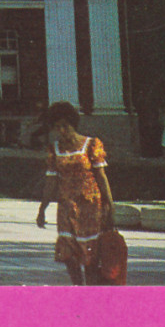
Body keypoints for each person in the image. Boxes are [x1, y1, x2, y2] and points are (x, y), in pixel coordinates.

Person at [35, 101, 115, 285]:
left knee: (90, 256)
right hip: (66, 206)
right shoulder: (55, 150)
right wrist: (42, 208)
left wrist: (110, 205)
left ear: (73, 124)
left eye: (65, 126)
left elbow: (102, 177)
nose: (61, 131)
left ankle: (91, 294)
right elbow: (51, 182)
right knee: (68, 253)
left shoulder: (90, 145)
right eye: (56, 127)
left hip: (91, 206)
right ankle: (78, 288)